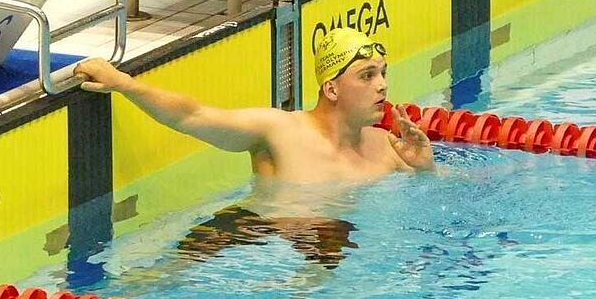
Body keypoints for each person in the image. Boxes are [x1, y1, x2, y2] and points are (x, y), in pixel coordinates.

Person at [74, 27, 435, 184]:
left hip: (339, 260)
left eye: (383, 73)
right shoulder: (278, 131)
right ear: (332, 88)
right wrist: (123, 83)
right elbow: (192, 115)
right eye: (367, 75)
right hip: (264, 247)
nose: (383, 85)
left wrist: (425, 170)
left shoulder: (386, 147)